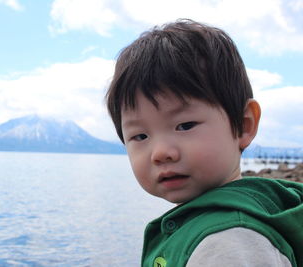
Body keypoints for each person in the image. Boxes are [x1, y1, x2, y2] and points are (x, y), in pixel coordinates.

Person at [105, 19, 303, 267]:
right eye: (140, 136)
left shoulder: (229, 242)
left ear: (244, 124)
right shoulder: (218, 225)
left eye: (185, 125)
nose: (161, 152)